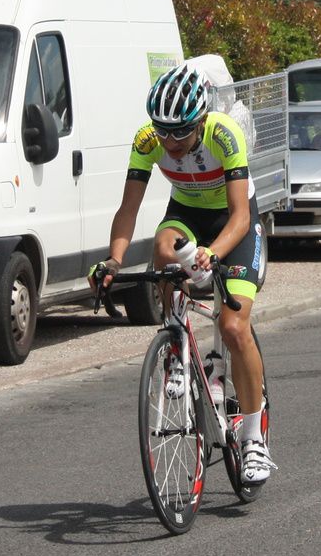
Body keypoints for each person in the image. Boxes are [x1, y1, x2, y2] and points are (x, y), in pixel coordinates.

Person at [90, 63, 275, 483]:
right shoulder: (147, 139)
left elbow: (241, 216)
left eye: (180, 132)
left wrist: (214, 252)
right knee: (162, 247)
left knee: (232, 325)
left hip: (234, 224)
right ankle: (178, 345)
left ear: (201, 121)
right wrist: (113, 261)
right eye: (162, 131)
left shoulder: (223, 134)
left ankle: (252, 438)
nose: (169, 142)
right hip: (187, 213)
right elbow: (128, 210)